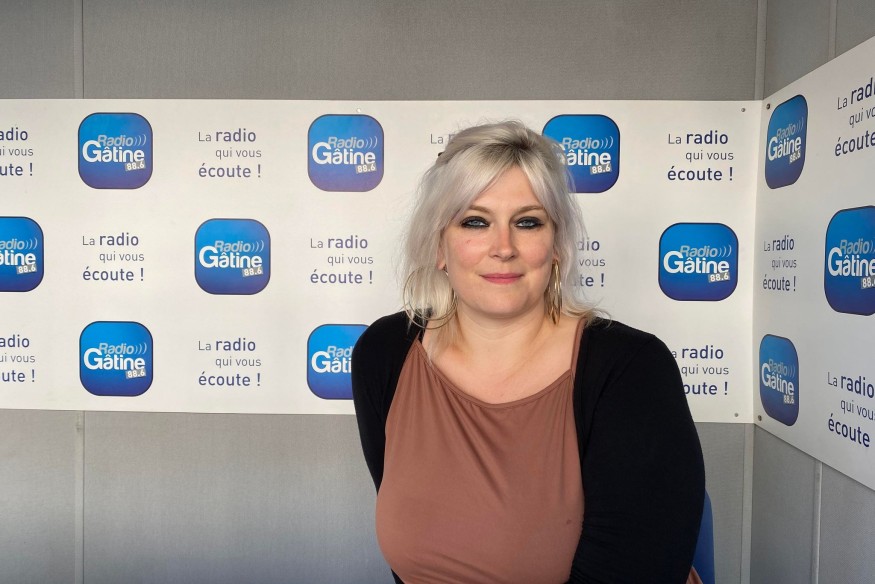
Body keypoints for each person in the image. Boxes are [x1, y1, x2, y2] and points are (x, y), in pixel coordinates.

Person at [352, 121, 705, 584]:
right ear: (439, 245)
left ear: (556, 245)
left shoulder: (631, 369)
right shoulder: (385, 352)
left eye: (527, 222)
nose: (503, 248)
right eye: (475, 221)